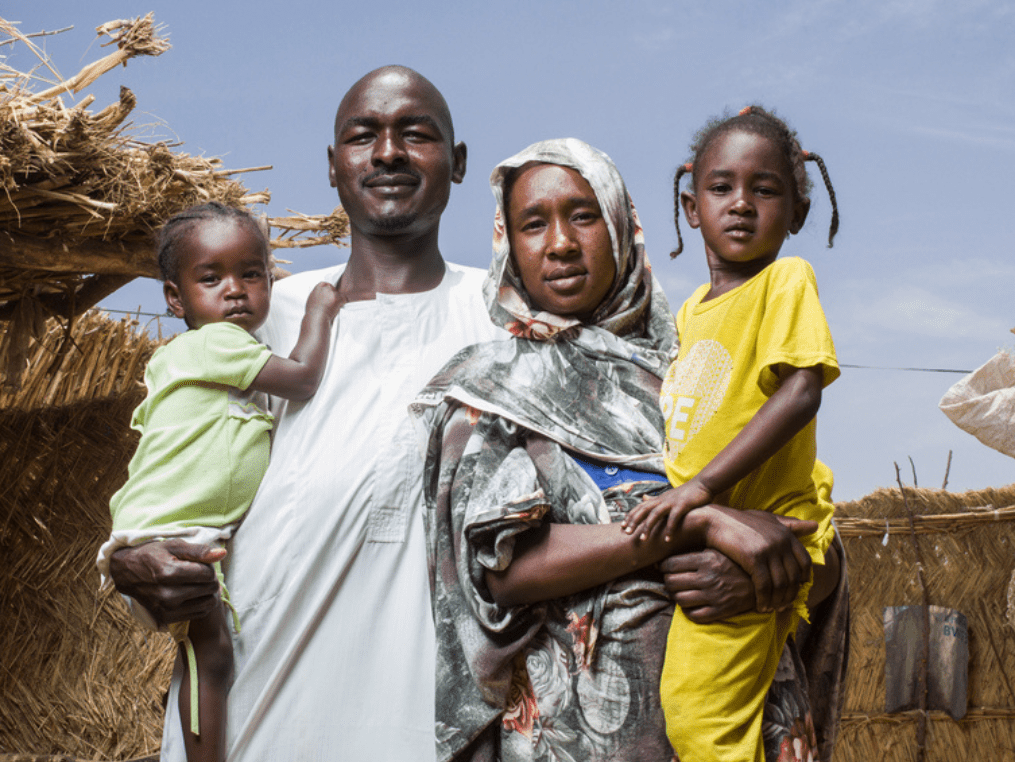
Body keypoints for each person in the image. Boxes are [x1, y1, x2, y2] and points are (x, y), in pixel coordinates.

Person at [107, 66, 506, 760]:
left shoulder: (504, 322)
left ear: (460, 162)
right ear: (332, 166)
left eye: (417, 134)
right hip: (259, 726)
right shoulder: (255, 326)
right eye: (363, 136)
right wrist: (131, 561)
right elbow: (169, 482)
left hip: (430, 732)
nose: (387, 153)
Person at [414, 137, 848, 762]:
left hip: (752, 719)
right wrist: (695, 521)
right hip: (584, 739)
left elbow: (803, 527)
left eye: (583, 215)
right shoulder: (493, 394)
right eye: (533, 223)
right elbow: (505, 570)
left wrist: (766, 579)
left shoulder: (697, 359)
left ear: (621, 224)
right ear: (507, 242)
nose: (560, 242)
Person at [622, 105, 842, 761]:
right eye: (721, 188)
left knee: (700, 714)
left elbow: (802, 389)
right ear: (691, 207)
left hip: (766, 533)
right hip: (715, 538)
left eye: (765, 189)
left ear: (797, 212)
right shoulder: (685, 314)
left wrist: (702, 492)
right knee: (709, 711)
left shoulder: (785, 281)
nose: (741, 204)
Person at [97, 202, 343, 762]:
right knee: (213, 659)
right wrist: (321, 310)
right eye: (212, 278)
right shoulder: (219, 343)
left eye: (251, 274)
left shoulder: (195, 355)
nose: (235, 291)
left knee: (201, 656)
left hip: (159, 526)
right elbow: (302, 379)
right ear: (175, 299)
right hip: (175, 531)